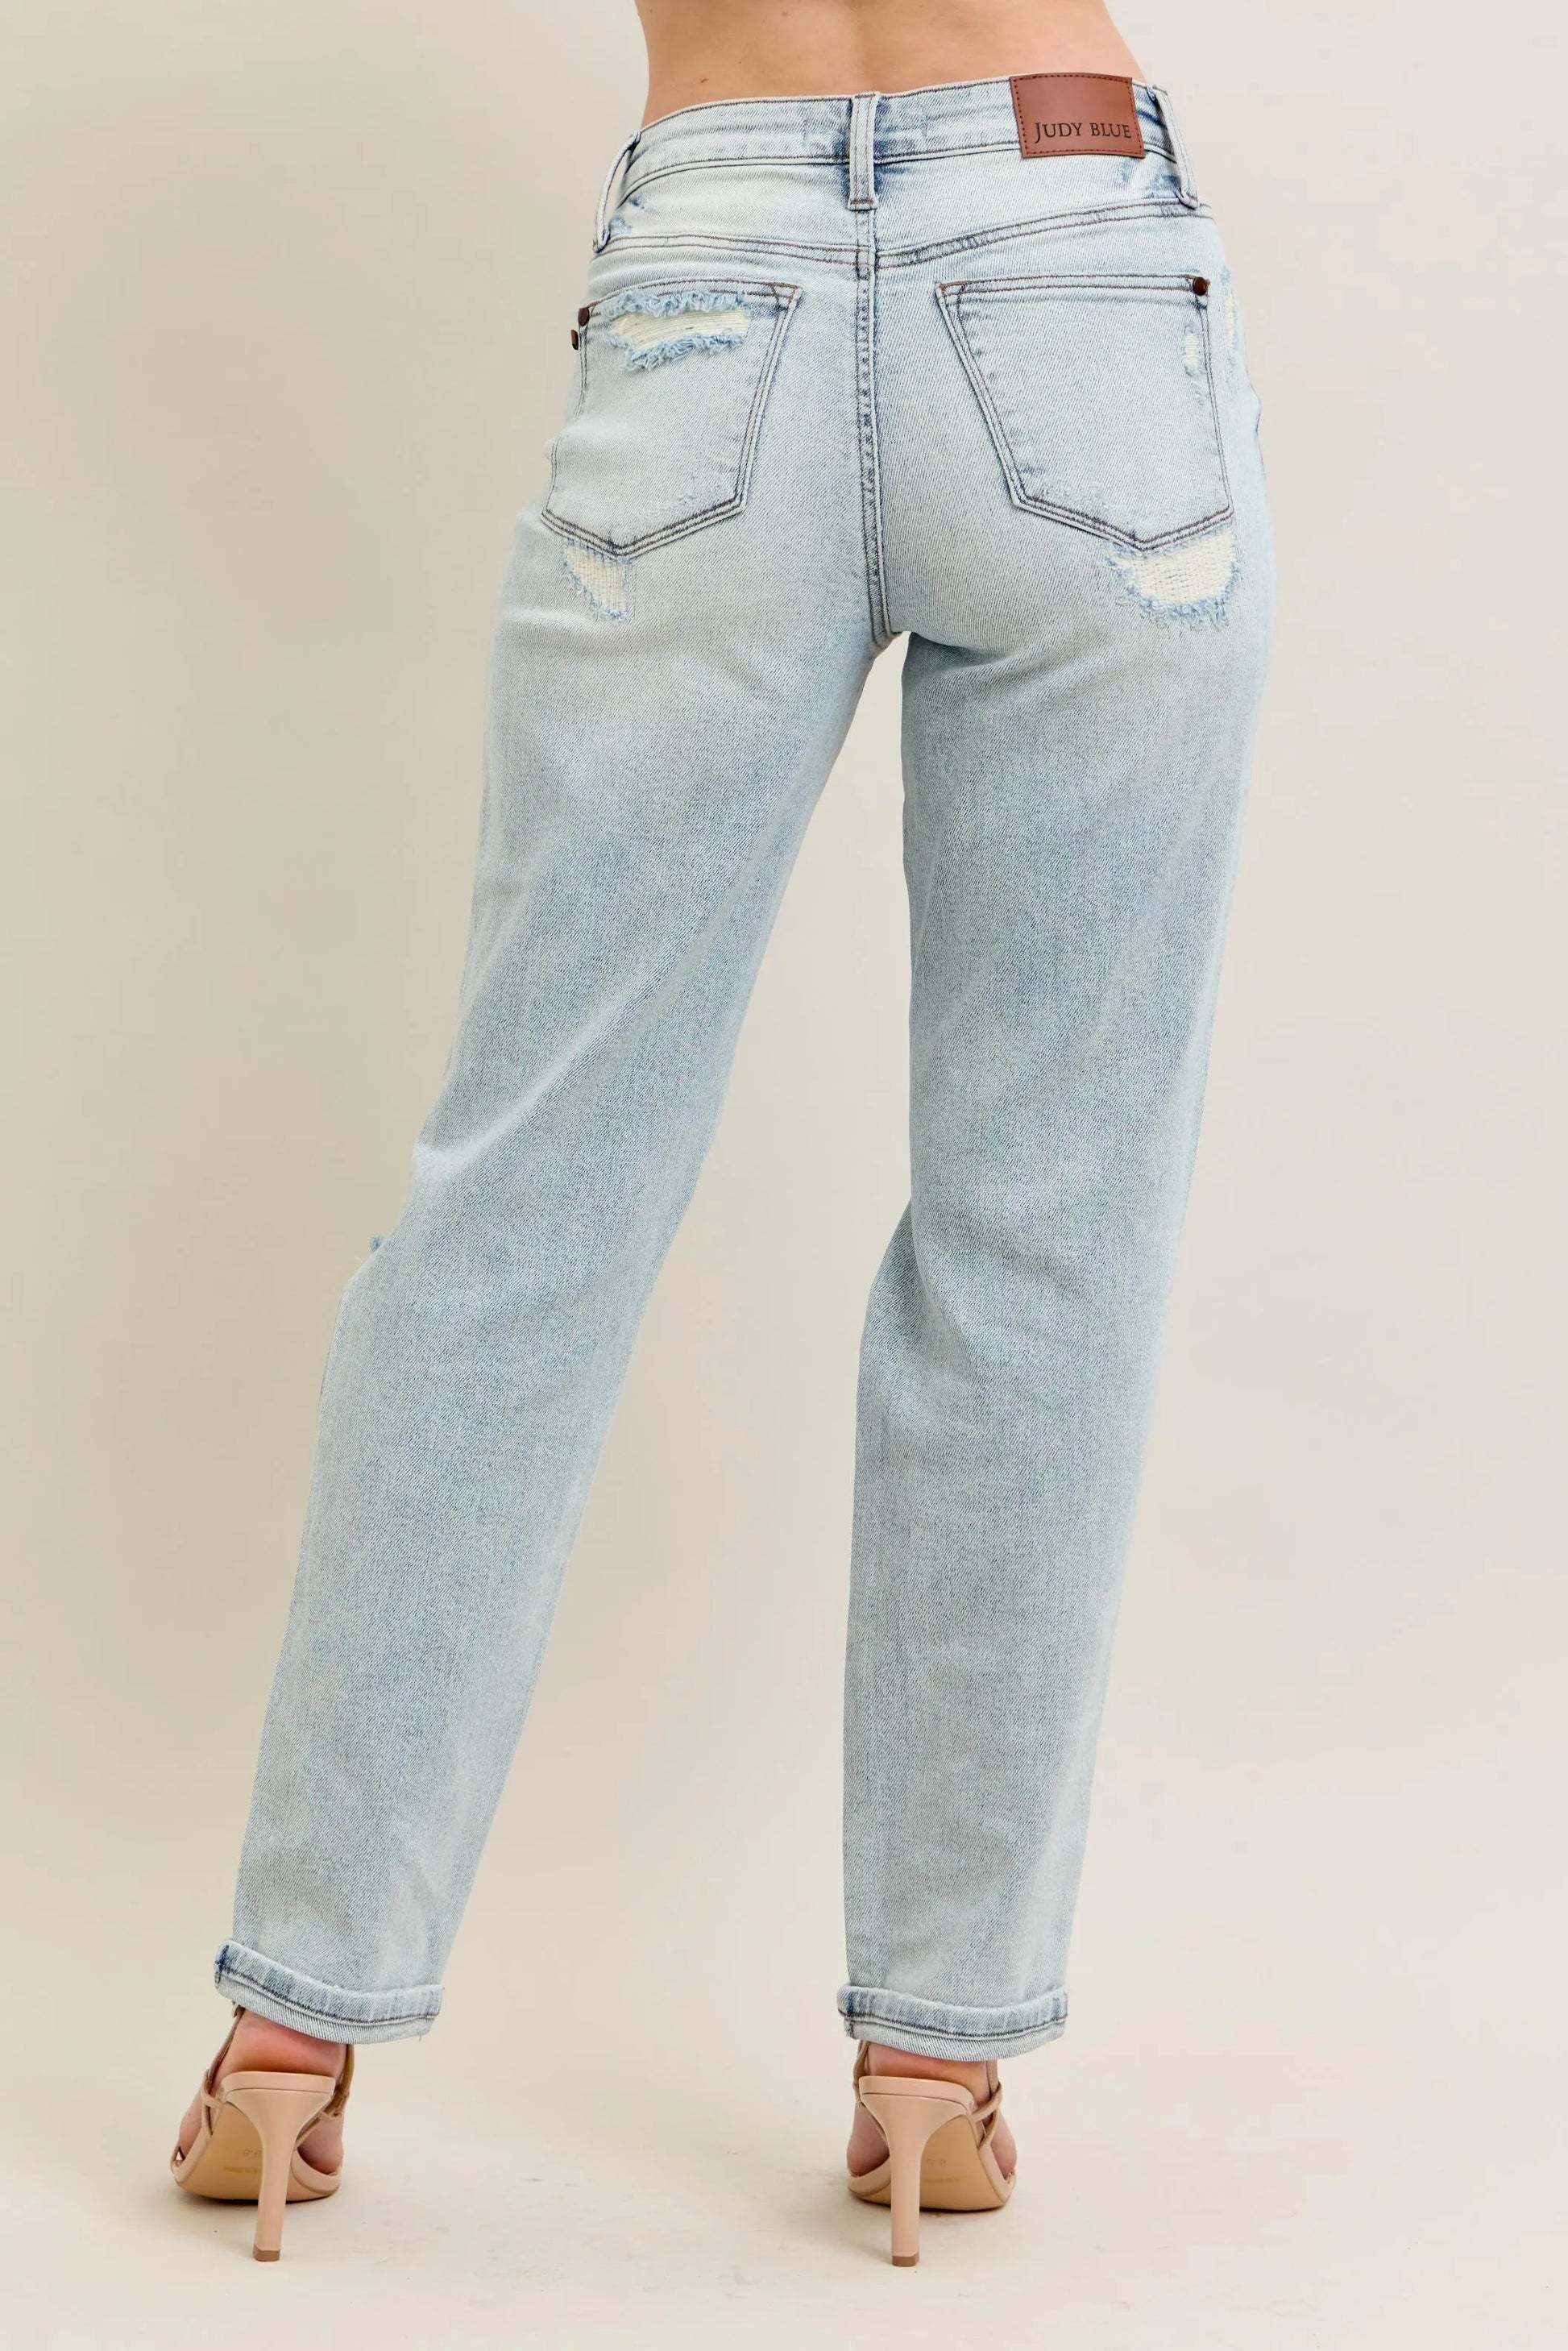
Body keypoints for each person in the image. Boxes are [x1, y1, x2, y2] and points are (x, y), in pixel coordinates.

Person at [172, 0, 1271, 2269]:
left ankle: (290, 2032)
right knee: (1042, 1226)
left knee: (517, 1208)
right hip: (1073, 264)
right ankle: (935, 2064)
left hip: (717, 272)